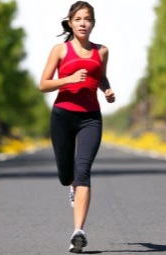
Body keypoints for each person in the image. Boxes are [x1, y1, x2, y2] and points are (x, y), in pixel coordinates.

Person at [39, 1, 115, 253]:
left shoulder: (101, 51)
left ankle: (78, 232)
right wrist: (68, 79)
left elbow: (100, 74)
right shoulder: (60, 50)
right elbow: (43, 84)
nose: (84, 23)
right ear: (70, 22)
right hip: (62, 116)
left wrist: (106, 89)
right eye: (79, 19)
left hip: (90, 118)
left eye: (88, 19)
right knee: (65, 175)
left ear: (93, 23)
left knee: (83, 170)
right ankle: (71, 186)